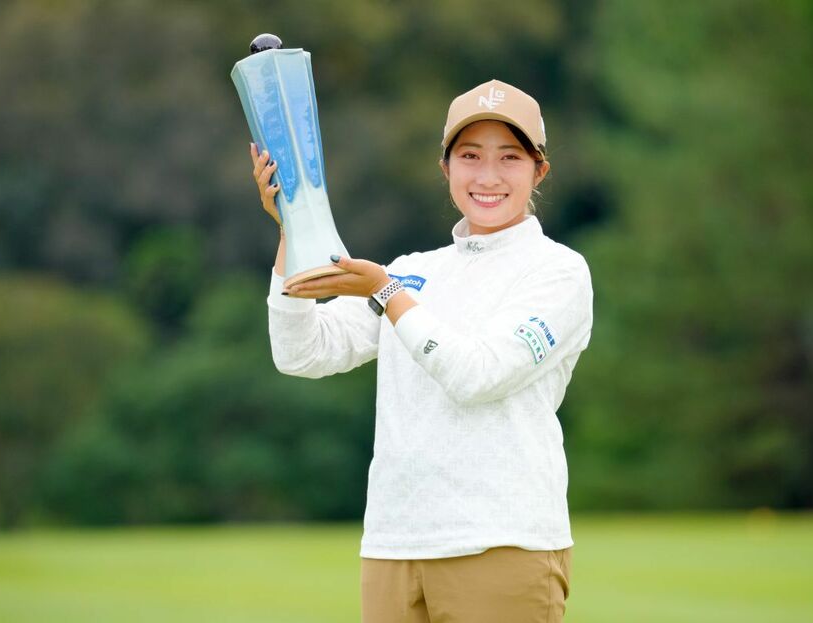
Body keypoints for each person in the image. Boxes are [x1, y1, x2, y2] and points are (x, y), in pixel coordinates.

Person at [249, 79, 593, 623]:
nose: (487, 176)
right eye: (469, 156)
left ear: (538, 171)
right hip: (393, 545)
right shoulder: (415, 269)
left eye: (509, 157)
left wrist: (387, 293)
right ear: (446, 168)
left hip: (503, 542)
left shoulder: (558, 271)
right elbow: (304, 353)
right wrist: (293, 228)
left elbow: (477, 375)